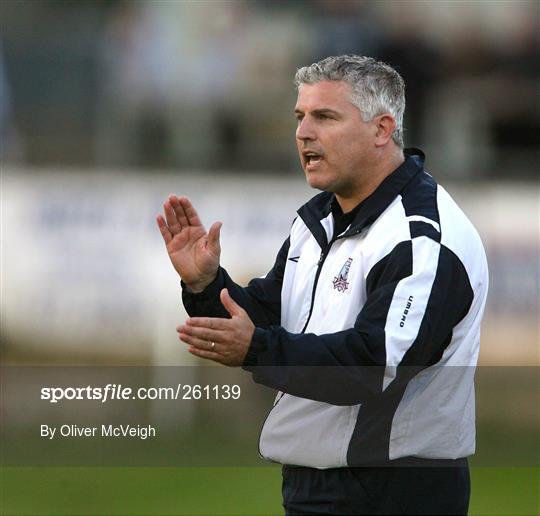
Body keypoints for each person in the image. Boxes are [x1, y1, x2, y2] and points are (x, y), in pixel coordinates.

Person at [157, 55, 488, 515]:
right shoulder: (316, 220)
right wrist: (207, 285)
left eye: (325, 117)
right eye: (300, 117)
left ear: (382, 129)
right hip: (312, 485)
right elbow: (268, 322)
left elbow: (375, 365)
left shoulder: (420, 238)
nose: (303, 132)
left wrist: (256, 350)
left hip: (396, 493)